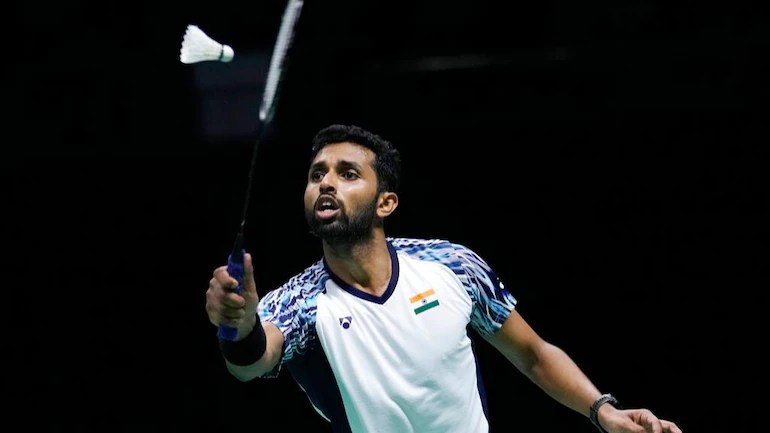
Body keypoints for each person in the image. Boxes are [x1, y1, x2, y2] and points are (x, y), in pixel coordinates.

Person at [205, 124, 682, 433]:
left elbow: (533, 354)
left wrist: (603, 411)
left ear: (386, 203)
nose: (326, 183)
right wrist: (236, 326)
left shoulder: (452, 265)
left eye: (348, 173)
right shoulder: (300, 301)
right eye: (316, 175)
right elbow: (251, 362)